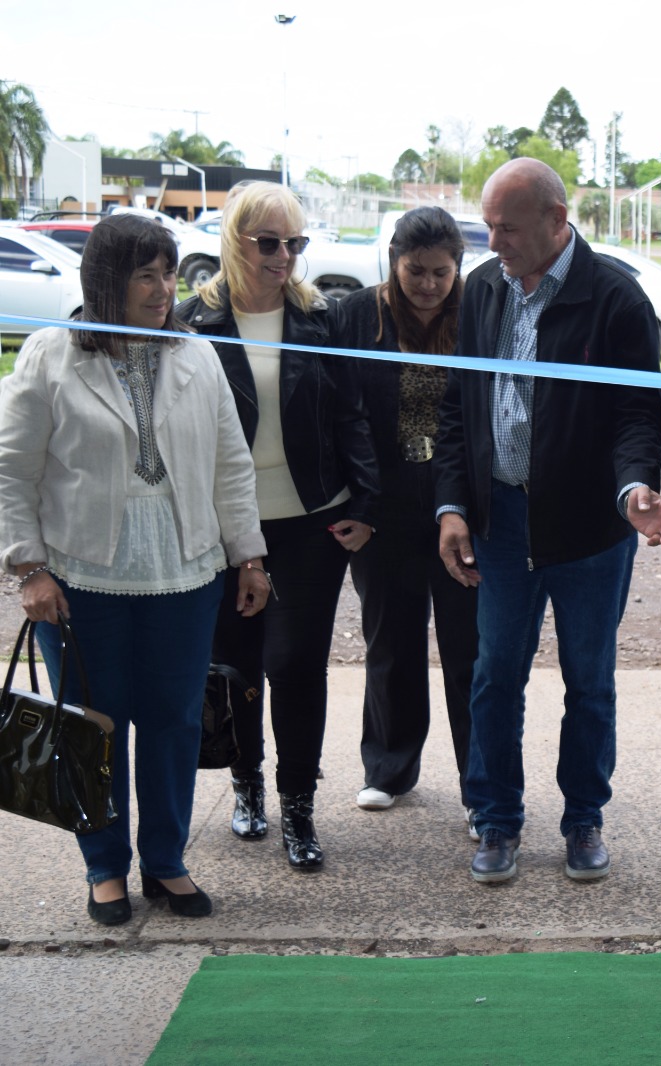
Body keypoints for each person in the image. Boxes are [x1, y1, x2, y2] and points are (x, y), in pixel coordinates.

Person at [0, 213, 271, 924]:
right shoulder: (50, 355)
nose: (163, 289)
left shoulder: (194, 354)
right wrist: (29, 569)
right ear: (105, 280)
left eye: (170, 273)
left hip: (184, 574)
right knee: (95, 725)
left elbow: (230, 465)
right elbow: (13, 469)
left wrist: (248, 554)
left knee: (175, 721)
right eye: (145, 275)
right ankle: (104, 868)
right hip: (82, 581)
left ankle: (167, 862)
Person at [433, 158, 661, 886]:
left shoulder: (618, 301)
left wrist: (634, 489)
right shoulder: (481, 291)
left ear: (555, 218)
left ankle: (583, 820)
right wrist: (452, 507)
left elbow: (639, 415)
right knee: (494, 675)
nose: (491, 238)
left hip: (588, 530)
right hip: (500, 521)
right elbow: (457, 410)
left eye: (505, 226)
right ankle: (497, 820)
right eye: (487, 224)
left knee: (589, 679)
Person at [177, 181, 381, 871]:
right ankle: (247, 785)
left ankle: (298, 804)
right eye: (270, 242)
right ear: (235, 240)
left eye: (295, 242)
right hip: (226, 526)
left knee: (295, 665)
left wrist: (365, 504)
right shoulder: (192, 324)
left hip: (311, 522)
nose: (285, 256)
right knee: (236, 665)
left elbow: (350, 415)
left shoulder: (323, 318)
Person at [337, 207, 477, 819]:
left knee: (470, 647)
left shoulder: (478, 314)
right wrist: (361, 502)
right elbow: (345, 412)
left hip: (462, 506)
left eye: (440, 273)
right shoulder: (359, 314)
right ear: (393, 261)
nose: (426, 285)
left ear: (458, 269)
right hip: (382, 505)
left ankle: (483, 785)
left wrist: (463, 507)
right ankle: (389, 768)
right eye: (415, 271)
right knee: (390, 638)